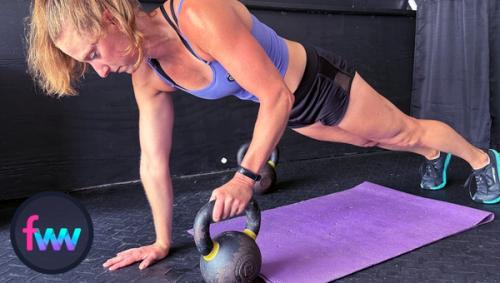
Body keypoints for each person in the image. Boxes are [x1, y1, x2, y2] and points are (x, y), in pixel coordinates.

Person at [27, 0, 500, 272]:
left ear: (111, 16)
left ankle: (481, 160)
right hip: (287, 111)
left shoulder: (198, 13)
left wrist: (245, 176)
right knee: (369, 142)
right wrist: (159, 239)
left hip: (314, 83)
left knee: (400, 130)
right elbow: (152, 161)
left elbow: (274, 93)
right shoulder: (147, 74)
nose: (101, 70)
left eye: (92, 53)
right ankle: (434, 153)